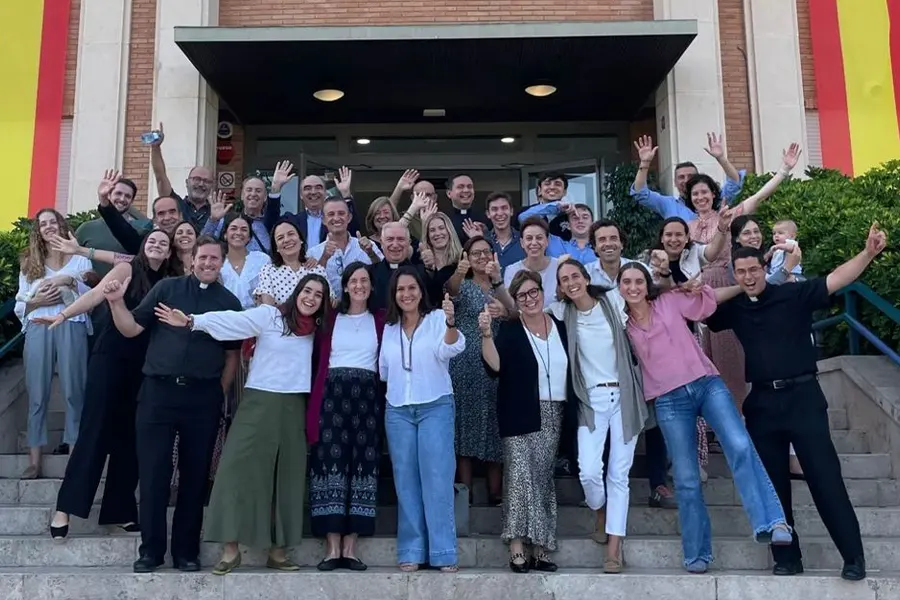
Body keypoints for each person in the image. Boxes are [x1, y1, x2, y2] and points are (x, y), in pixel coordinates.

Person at [705, 224, 887, 581]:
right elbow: (702, 306)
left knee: (825, 479)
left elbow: (836, 279)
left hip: (803, 398)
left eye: (754, 270)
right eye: (741, 272)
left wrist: (868, 253)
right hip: (762, 403)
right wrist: (735, 286)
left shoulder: (793, 295)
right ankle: (787, 558)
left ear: (766, 268)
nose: (748, 277)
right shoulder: (736, 308)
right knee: (773, 485)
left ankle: (853, 557)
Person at [618, 262, 792, 573]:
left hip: (706, 384)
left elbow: (709, 297)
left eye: (637, 281)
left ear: (647, 285)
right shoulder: (623, 328)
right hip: (669, 402)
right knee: (685, 478)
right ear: (619, 288)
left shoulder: (669, 301)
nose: (632, 287)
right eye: (626, 282)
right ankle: (697, 553)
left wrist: (744, 286)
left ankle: (772, 522)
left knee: (739, 444)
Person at [155, 269, 329, 575]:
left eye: (318, 295)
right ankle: (230, 549)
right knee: (235, 470)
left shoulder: (318, 329)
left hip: (294, 406)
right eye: (307, 291)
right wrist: (194, 321)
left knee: (286, 478)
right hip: (259, 402)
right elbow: (233, 322)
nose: (311, 298)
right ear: (297, 292)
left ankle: (278, 551)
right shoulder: (270, 316)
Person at [104, 235, 242, 573]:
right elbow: (133, 328)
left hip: (202, 399)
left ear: (221, 262)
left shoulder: (230, 302)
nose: (209, 263)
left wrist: (218, 394)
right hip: (158, 395)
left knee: (194, 479)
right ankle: (150, 551)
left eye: (215, 259)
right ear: (192, 259)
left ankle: (186, 552)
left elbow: (232, 356)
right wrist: (115, 303)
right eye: (203, 257)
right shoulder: (167, 289)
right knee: (153, 476)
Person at [45, 230, 178, 540]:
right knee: (95, 432)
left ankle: (119, 511)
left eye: (164, 243)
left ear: (170, 252)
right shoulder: (128, 268)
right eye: (152, 241)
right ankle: (64, 508)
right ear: (144, 246)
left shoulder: (173, 281)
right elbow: (96, 294)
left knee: (131, 440)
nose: (158, 246)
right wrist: (65, 313)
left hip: (145, 365)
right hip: (111, 358)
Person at [548, 259, 647, 573]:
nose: (571, 282)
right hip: (591, 400)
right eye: (564, 280)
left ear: (586, 277)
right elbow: (527, 311)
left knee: (619, 475)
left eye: (575, 276)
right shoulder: (563, 312)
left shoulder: (612, 301)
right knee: (589, 470)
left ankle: (614, 547)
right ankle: (600, 510)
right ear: (561, 288)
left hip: (625, 396)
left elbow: (642, 293)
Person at [480, 270, 576, 573]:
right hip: (518, 410)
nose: (530, 299)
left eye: (534, 292)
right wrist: (485, 335)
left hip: (553, 411)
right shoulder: (509, 329)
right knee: (520, 476)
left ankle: (542, 547)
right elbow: (495, 366)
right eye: (522, 295)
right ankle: (517, 545)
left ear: (542, 292)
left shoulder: (561, 327)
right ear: (516, 301)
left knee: (542, 479)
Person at [379, 267, 465, 572]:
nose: (406, 294)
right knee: (406, 482)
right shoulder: (389, 329)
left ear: (420, 291)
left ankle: (443, 551)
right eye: (401, 289)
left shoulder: (436, 320)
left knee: (438, 480)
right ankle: (412, 550)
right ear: (394, 294)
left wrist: (452, 321)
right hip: (398, 409)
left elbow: (451, 348)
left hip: (435, 407)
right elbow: (385, 372)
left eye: (412, 288)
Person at [308, 262, 386, 571]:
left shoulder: (381, 320)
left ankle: (351, 547)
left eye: (364, 280)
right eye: (354, 280)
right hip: (332, 397)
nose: (359, 285)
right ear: (345, 285)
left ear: (371, 285)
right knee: (330, 465)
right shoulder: (329, 319)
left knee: (363, 468)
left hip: (367, 398)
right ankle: (332, 547)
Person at [14, 209, 92, 478]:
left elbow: (91, 297)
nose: (48, 227)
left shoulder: (80, 258)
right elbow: (20, 302)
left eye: (53, 221)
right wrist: (39, 301)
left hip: (72, 324)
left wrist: (68, 282)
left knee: (74, 390)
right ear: (38, 229)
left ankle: (74, 457)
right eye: (43, 223)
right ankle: (34, 460)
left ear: (61, 225)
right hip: (37, 325)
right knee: (37, 393)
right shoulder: (30, 261)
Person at [449, 237, 515, 506]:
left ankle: (495, 492)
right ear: (466, 256)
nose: (481, 257)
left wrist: (498, 283)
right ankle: (465, 492)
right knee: (464, 426)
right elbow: (449, 290)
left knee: (493, 424)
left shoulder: (501, 284)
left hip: (496, 361)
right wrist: (460, 270)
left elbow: (514, 312)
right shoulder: (462, 285)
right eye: (475, 253)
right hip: (464, 363)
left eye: (485, 252)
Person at [629, 133, 746, 220]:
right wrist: (645, 163)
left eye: (690, 176)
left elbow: (734, 182)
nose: (686, 180)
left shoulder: (714, 199)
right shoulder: (669, 204)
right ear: (674, 182)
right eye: (681, 177)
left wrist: (721, 158)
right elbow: (640, 193)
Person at [265, 165, 362, 244]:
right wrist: (275, 188)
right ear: (301, 195)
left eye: (318, 187)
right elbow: (271, 225)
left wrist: (346, 194)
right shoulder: (292, 220)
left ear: (325, 193)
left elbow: (354, 228)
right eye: (307, 188)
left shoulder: (335, 220)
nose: (313, 192)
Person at [75, 175, 151, 276]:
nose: (122, 199)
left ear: (132, 201)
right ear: (108, 195)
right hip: (89, 289)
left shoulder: (140, 232)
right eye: (118, 193)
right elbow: (72, 259)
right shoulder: (86, 229)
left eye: (128, 196)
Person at [307, 196, 383, 294]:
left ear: (349, 217)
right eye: (331, 214)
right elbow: (309, 284)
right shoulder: (313, 252)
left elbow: (383, 274)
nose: (336, 218)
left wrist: (371, 253)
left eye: (341, 213)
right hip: (328, 308)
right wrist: (324, 258)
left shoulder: (369, 246)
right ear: (323, 220)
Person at [368, 222, 442, 311]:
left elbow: (435, 299)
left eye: (400, 239)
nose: (395, 245)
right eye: (390, 239)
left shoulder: (422, 272)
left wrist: (431, 269)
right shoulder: (370, 274)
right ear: (381, 242)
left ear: (409, 242)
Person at [201, 172, 281, 253]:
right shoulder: (228, 221)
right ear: (242, 195)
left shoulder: (271, 224)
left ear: (265, 197)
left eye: (258, 191)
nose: (253, 194)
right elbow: (202, 244)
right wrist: (213, 220)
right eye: (249, 190)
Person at [254, 219, 319, 306]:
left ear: (301, 239)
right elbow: (268, 308)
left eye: (291, 234)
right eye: (280, 238)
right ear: (276, 247)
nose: (287, 240)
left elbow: (330, 301)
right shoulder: (268, 271)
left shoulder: (316, 268)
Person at [502, 218, 559, 308]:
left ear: (547, 241)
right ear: (522, 243)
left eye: (539, 238)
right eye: (529, 238)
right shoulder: (512, 271)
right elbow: (511, 306)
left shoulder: (559, 266)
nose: (534, 243)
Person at [219, 212, 271, 309]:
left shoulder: (262, 260)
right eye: (233, 228)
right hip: (226, 319)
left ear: (249, 237)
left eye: (244, 229)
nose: (238, 233)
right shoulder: (217, 263)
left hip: (256, 319)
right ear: (225, 234)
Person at [517, 201, 596, 264]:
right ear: (568, 225)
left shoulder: (601, 247)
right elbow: (523, 217)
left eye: (585, 217)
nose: (580, 221)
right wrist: (557, 207)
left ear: (592, 223)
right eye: (575, 218)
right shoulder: (553, 243)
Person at [484, 192, 524, 274]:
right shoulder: (484, 241)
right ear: (488, 214)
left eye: (504, 208)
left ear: (511, 211)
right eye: (494, 209)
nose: (500, 213)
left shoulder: (524, 240)